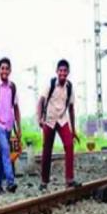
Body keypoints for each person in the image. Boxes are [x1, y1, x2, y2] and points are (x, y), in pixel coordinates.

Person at [37, 59, 81, 190]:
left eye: (65, 71)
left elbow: (71, 108)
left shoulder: (69, 87)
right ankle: (44, 181)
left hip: (62, 120)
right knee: (47, 150)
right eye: (60, 70)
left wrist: (73, 129)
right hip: (49, 120)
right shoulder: (50, 84)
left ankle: (70, 179)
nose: (62, 73)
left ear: (68, 72)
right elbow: (41, 102)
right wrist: (39, 118)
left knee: (69, 145)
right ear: (57, 72)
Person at [0, 57, 21, 194]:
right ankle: (10, 182)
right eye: (2, 68)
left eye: (7, 68)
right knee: (6, 150)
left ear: (10, 70)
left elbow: (16, 108)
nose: (5, 71)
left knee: (3, 156)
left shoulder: (12, 87)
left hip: (8, 126)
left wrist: (19, 128)